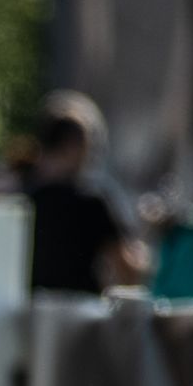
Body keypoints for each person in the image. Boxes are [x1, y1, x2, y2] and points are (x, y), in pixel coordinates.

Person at [23, 91, 147, 294]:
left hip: (30, 306)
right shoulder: (91, 203)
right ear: (73, 145)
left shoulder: (22, 201)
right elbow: (126, 269)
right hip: (79, 307)